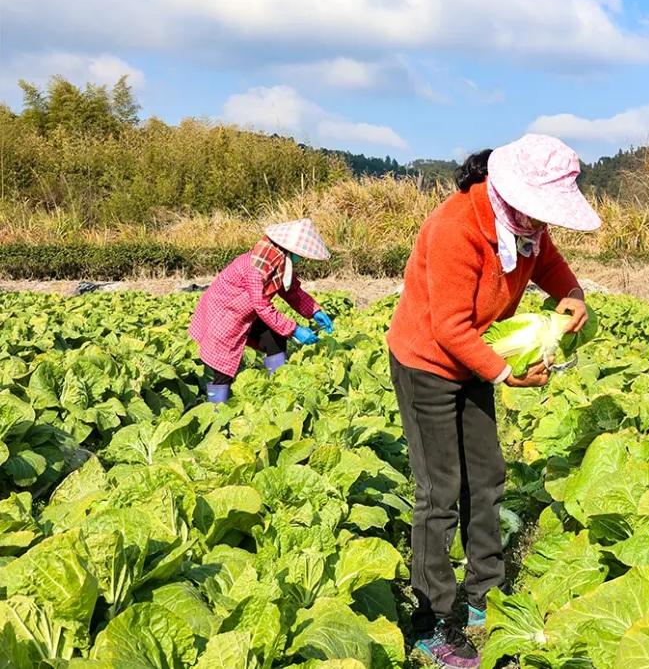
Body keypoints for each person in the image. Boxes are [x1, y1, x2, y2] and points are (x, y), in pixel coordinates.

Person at [386, 134, 599, 668]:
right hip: (428, 364)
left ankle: (484, 592)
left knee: (486, 475)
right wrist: (508, 374)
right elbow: (450, 327)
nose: (544, 223)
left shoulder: (525, 227)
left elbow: (551, 267)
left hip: (473, 358)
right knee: (439, 489)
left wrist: (572, 296)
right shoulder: (458, 228)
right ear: (513, 192)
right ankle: (432, 620)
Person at [189, 218, 335, 403]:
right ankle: (216, 411)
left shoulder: (278, 263)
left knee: (275, 338)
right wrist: (295, 329)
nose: (302, 259)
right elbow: (262, 306)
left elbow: (292, 292)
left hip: (245, 313)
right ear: (288, 250)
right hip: (223, 314)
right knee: (223, 366)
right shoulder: (255, 268)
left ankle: (276, 387)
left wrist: (315, 311)